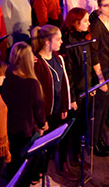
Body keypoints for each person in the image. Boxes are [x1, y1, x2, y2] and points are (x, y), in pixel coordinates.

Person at [1, 42, 48, 186]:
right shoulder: (31, 83)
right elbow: (38, 108)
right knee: (24, 166)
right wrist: (43, 124)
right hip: (25, 130)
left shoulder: (6, 74)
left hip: (8, 127)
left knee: (12, 163)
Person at [32, 25, 73, 182]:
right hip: (45, 114)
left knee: (49, 145)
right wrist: (41, 119)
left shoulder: (57, 57)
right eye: (58, 39)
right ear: (47, 42)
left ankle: (43, 173)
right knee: (40, 147)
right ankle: (35, 177)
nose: (62, 42)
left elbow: (62, 83)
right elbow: (37, 95)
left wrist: (64, 105)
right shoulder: (37, 63)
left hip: (56, 110)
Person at [89, 0, 109, 156]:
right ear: (99, 8)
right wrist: (101, 79)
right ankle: (93, 143)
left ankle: (99, 139)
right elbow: (94, 55)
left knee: (106, 107)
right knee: (98, 109)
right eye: (106, 5)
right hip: (101, 71)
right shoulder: (96, 26)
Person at [61, 8, 94, 161]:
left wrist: (91, 86)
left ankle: (78, 156)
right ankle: (70, 158)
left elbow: (88, 65)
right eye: (85, 20)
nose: (88, 23)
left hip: (85, 88)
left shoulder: (84, 38)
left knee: (82, 125)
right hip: (76, 93)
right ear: (75, 23)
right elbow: (69, 73)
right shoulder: (69, 42)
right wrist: (72, 98)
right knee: (73, 128)